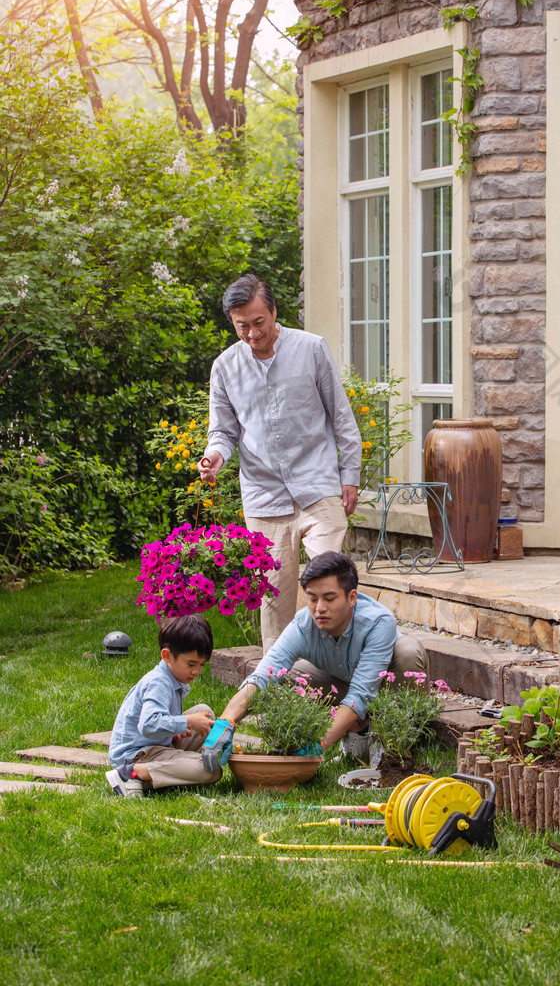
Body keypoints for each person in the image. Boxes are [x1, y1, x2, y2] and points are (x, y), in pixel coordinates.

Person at [197, 273, 362, 653]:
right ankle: (280, 682)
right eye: (243, 326)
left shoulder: (311, 349)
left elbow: (342, 417)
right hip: (264, 495)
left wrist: (349, 475)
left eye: (259, 323)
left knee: (330, 581)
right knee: (274, 598)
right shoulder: (225, 368)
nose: (253, 334)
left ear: (274, 312)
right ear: (232, 322)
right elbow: (223, 431)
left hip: (318, 483)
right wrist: (215, 457)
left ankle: (343, 665)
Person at [201, 552, 429, 768]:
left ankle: (391, 743)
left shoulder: (378, 622)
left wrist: (318, 744)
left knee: (408, 651)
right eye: (312, 599)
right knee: (281, 678)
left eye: (329, 599)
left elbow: (361, 693)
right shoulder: (304, 623)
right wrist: (226, 720)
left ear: (351, 597)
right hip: (340, 682)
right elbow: (264, 675)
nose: (319, 609)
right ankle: (357, 733)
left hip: (383, 689)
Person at [106, 615, 221, 798]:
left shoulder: (171, 678)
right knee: (210, 770)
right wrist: (187, 721)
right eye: (191, 664)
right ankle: (130, 775)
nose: (197, 671)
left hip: (153, 745)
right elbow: (148, 724)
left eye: (201, 665)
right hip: (135, 755)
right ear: (167, 656)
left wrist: (174, 729)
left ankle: (168, 772)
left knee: (204, 714)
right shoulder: (159, 683)